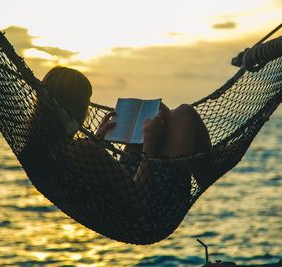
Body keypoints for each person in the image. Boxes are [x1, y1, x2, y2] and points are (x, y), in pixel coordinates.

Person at [42, 66, 212, 209]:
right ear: (76, 107)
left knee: (159, 112)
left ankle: (207, 165)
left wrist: (96, 143)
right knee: (184, 112)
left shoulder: (44, 148)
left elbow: (94, 172)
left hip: (123, 194)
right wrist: (149, 145)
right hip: (154, 207)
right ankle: (207, 169)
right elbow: (139, 199)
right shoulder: (84, 148)